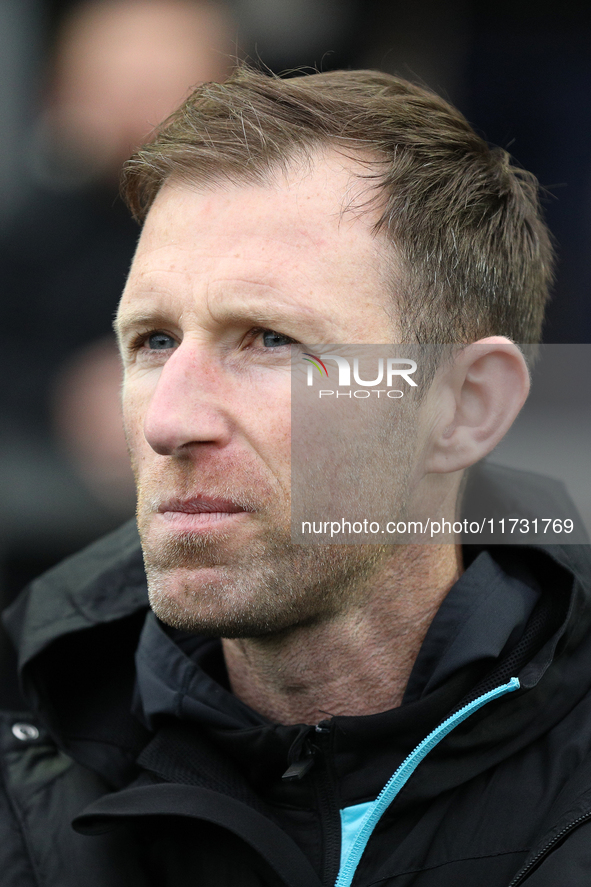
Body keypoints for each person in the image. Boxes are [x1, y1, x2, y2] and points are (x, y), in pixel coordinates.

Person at [1, 65, 590, 887]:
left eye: (270, 340)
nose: (169, 420)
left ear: (463, 407)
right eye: (154, 341)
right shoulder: (27, 799)